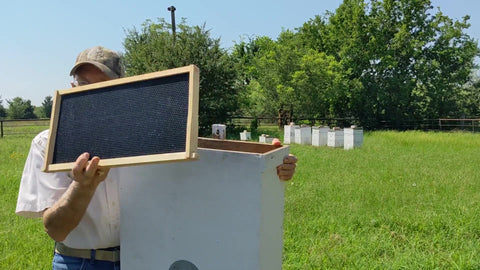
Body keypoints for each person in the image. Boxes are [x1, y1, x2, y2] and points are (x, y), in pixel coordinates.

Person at [15, 46, 298, 269]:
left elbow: (204, 162)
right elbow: (55, 229)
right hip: (78, 262)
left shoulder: (147, 135)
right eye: (82, 83)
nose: (90, 93)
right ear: (72, 88)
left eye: (100, 85)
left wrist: (272, 162)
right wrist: (82, 187)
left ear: (121, 89)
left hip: (147, 257)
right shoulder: (47, 143)